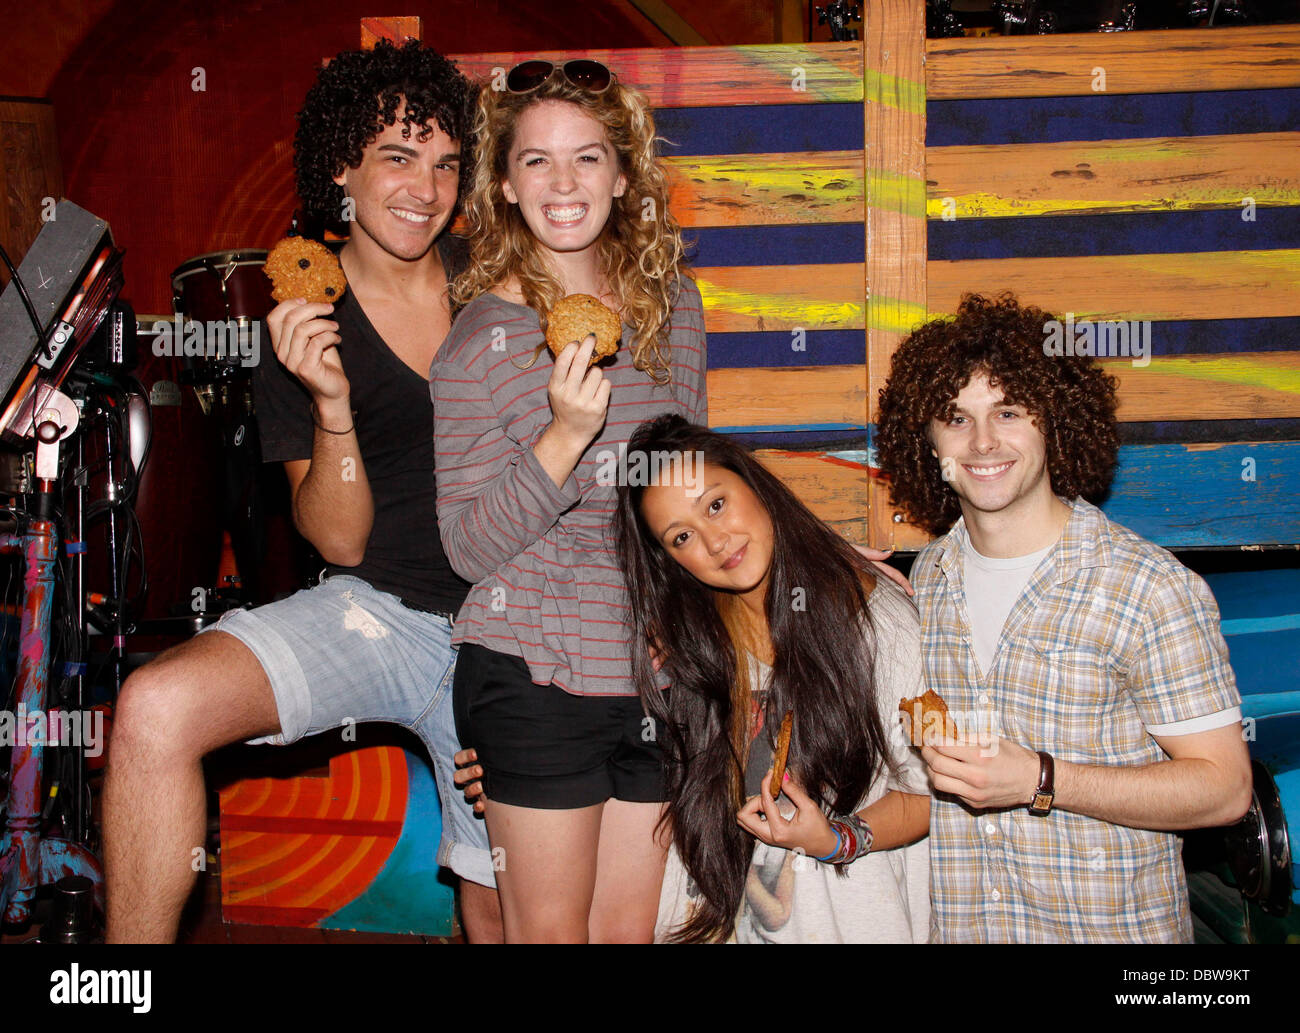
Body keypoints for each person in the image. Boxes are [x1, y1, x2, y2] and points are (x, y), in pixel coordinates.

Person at [104, 40, 501, 943]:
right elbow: (341, 545)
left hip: (505, 626)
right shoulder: (303, 324)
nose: (425, 189)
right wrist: (331, 402)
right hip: (377, 612)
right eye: (397, 158)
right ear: (341, 170)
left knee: (512, 904)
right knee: (155, 708)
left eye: (444, 164)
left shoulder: (498, 288)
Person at [429, 59, 708, 943]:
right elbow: (469, 549)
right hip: (532, 664)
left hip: (654, 667)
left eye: (587, 158)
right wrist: (562, 436)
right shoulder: (476, 343)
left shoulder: (675, 308)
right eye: (537, 162)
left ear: (623, 176)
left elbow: (689, 484)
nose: (563, 184)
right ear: (505, 186)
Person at [875, 291, 1253, 943]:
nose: (984, 440)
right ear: (926, 437)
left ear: (1054, 418)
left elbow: (1224, 790)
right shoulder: (925, 585)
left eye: (1009, 410)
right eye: (955, 417)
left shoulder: (1147, 586)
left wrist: (1041, 779)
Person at [612, 414, 931, 943]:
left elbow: (927, 796)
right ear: (670, 561)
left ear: (753, 482)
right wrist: (516, 772)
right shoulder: (688, 646)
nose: (715, 542)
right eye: (683, 536)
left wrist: (836, 839)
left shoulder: (877, 620)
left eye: (716, 504)